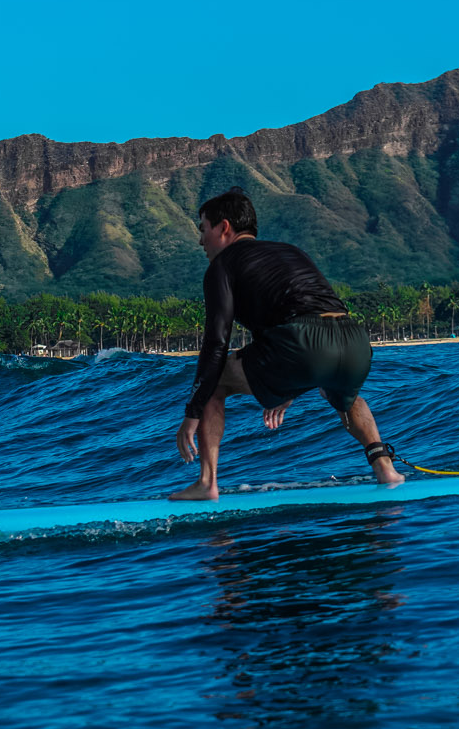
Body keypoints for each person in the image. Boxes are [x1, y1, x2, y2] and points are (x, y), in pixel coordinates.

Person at [172, 186, 404, 500]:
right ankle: (385, 468)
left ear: (224, 227)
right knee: (344, 396)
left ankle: (207, 482)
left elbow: (216, 343)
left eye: (204, 230)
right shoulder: (290, 251)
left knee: (215, 381)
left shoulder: (222, 266)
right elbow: (310, 323)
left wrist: (193, 412)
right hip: (354, 342)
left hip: (302, 345)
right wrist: (290, 387)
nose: (201, 241)